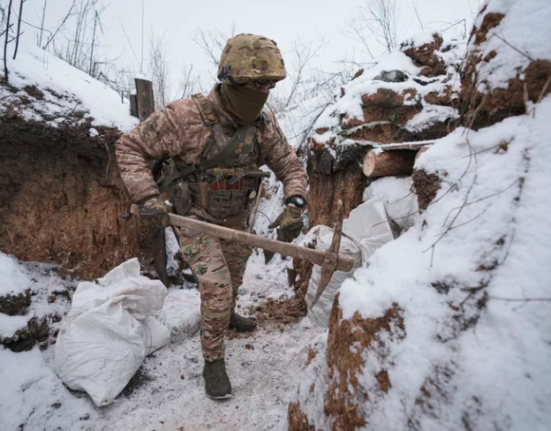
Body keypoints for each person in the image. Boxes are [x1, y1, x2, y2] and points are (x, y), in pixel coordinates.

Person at [115, 34, 307, 400]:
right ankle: (213, 361)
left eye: (269, 85)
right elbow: (130, 146)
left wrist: (295, 202)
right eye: (254, 85)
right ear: (230, 80)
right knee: (217, 287)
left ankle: (226, 314)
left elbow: (289, 164)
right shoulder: (185, 117)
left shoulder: (263, 125)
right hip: (195, 218)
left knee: (233, 281)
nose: (263, 92)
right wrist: (148, 197)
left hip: (236, 218)